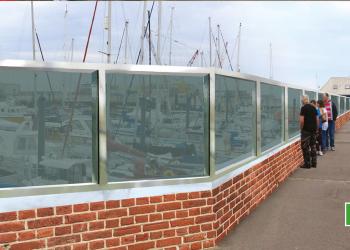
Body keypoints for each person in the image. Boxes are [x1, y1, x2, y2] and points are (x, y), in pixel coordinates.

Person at [300, 95, 319, 169]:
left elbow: (302, 120)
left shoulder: (303, 108)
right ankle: (314, 163)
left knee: (305, 147)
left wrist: (301, 128)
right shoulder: (314, 107)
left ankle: (307, 164)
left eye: (301, 100)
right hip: (313, 130)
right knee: (313, 146)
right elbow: (317, 119)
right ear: (307, 100)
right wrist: (316, 129)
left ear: (303, 101)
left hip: (306, 131)